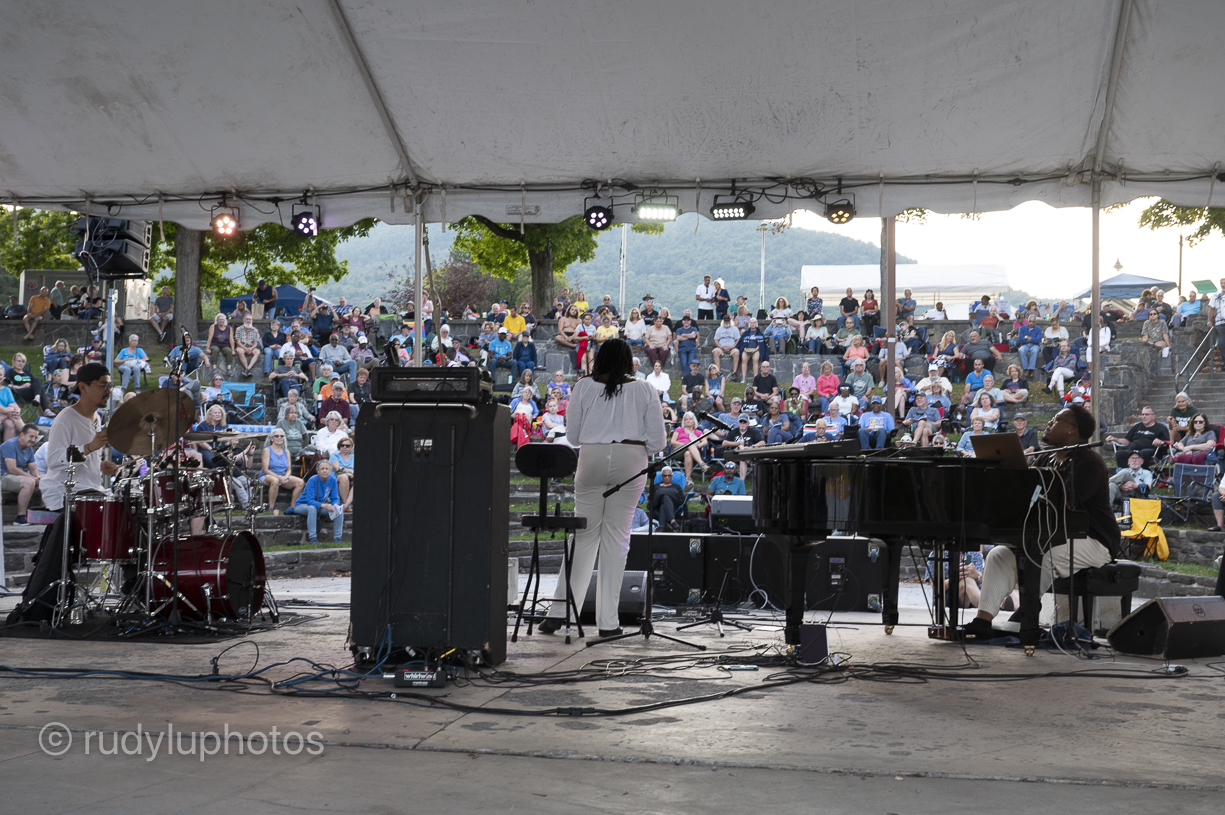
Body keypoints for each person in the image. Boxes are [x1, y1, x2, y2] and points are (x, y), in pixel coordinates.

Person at [537, 339, 665, 638]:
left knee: (583, 537)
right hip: (630, 460)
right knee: (616, 542)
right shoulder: (644, 389)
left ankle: (558, 614)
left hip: (591, 458)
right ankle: (608, 624)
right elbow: (658, 442)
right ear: (628, 360)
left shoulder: (583, 387)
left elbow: (576, 436)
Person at [963, 405, 1122, 640]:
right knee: (998, 554)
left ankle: (1029, 612)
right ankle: (983, 621)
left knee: (1042, 556)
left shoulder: (1090, 461)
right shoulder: (1045, 457)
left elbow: (1063, 502)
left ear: (1072, 431)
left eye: (1057, 420)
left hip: (1093, 539)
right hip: (1050, 535)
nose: (1049, 422)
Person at [285, 459, 344, 544]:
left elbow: (335, 497)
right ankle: (313, 538)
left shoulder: (333, 480)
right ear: (318, 471)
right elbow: (310, 501)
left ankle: (338, 538)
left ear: (330, 471)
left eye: (327, 469)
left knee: (339, 511)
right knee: (312, 508)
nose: (324, 470)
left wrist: (335, 505)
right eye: (322, 468)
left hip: (319, 506)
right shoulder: (313, 480)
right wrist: (325, 506)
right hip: (302, 505)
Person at [1, 423, 41, 524]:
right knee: (29, 482)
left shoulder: (29, 448)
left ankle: (42, 514)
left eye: (35, 437)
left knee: (45, 482)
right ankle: (20, 517)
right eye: (31, 436)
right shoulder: (10, 445)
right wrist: (32, 478)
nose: (33, 440)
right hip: (3, 476)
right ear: (22, 435)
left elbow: (33, 468)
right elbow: (12, 469)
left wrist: (38, 477)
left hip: (16, 477)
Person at [1105, 406, 1170, 468]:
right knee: (1120, 453)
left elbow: (1168, 443)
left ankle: (1142, 474)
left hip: (1152, 452)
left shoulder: (1161, 428)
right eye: (1142, 414)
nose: (1144, 416)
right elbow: (1127, 441)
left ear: (1154, 416)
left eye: (1147, 414)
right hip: (1133, 451)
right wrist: (1115, 439)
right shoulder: (1137, 426)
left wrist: (1161, 441)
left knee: (1143, 453)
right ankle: (1125, 475)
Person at [722, 415, 765, 480]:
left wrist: (752, 447)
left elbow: (763, 443)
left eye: (744, 422)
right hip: (734, 455)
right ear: (738, 423)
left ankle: (741, 483)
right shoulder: (734, 431)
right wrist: (737, 443)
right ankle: (749, 461)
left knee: (742, 459)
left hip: (749, 454)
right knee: (741, 447)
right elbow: (724, 443)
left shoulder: (753, 431)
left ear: (748, 423)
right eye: (740, 421)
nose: (742, 423)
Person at [671, 411, 708, 484]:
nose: (688, 421)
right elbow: (672, 442)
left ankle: (688, 478)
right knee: (690, 445)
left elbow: (705, 442)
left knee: (688, 453)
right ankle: (702, 464)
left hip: (691, 452)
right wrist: (685, 445)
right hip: (678, 450)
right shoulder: (679, 429)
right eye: (686, 419)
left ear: (694, 420)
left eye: (690, 419)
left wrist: (698, 446)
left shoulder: (698, 432)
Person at [233, 313, 263, 379]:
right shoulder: (238, 329)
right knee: (240, 351)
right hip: (242, 346)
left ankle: (247, 369)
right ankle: (247, 369)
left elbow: (256, 343)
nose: (248, 321)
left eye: (250, 319)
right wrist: (245, 348)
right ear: (243, 320)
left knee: (257, 352)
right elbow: (238, 342)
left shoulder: (255, 330)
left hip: (251, 347)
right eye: (247, 319)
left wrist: (251, 348)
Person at [329, 437, 355, 511]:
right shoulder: (335, 455)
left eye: (347, 445)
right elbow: (337, 468)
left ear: (351, 447)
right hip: (337, 476)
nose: (344, 447)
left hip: (351, 477)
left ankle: (346, 505)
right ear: (339, 446)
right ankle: (346, 504)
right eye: (342, 445)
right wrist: (350, 471)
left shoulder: (354, 457)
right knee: (344, 477)